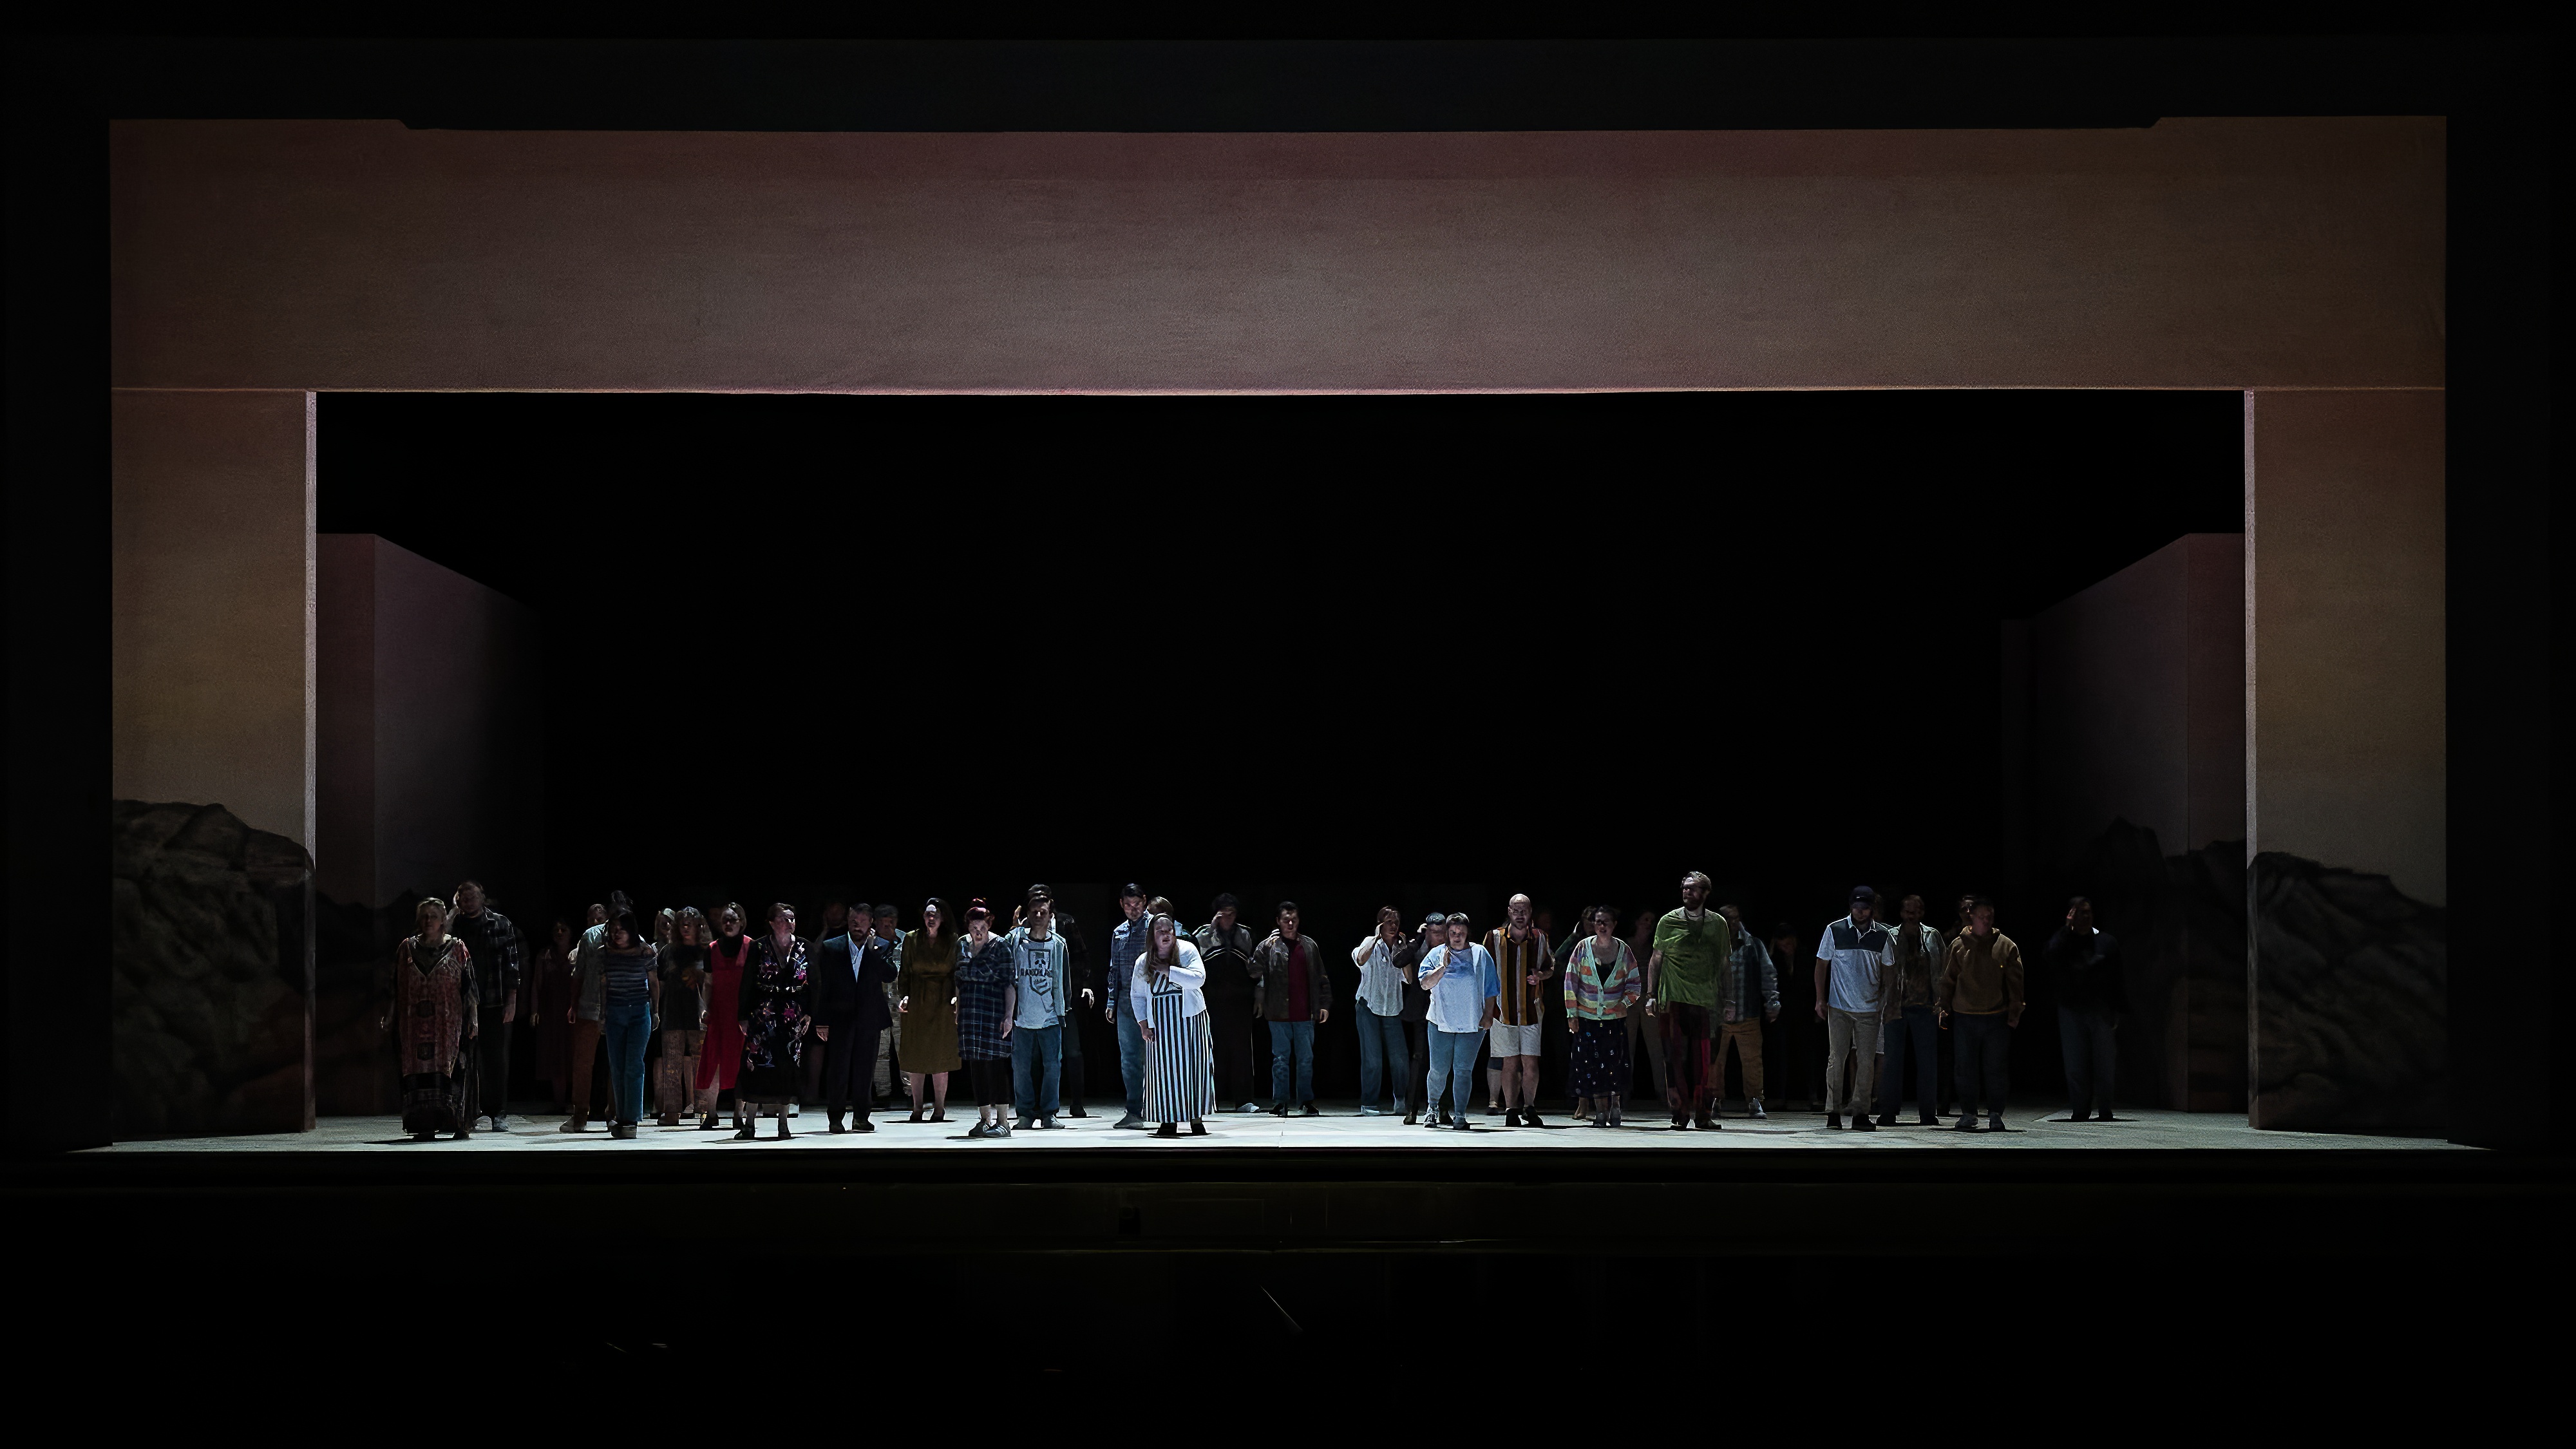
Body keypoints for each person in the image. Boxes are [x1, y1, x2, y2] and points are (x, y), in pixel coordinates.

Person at [382, 896, 477, 1141]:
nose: (428, 921)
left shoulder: (457, 948)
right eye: (424, 916)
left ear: (443, 920)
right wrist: (390, 1014)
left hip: (449, 1026)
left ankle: (456, 1124)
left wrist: (473, 1018)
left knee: (453, 1071)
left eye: (434, 916)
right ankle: (424, 1125)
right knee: (418, 1073)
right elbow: (395, 986)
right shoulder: (407, 948)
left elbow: (469, 987)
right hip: (414, 1026)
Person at [1646, 871, 1734, 1130]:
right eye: (1685, 888)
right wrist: (1650, 995)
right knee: (1673, 1058)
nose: (1687, 892)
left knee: (1705, 1062)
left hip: (1706, 1001)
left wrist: (1730, 1000)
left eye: (1693, 888)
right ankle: (1680, 1113)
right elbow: (1656, 958)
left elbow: (1725, 963)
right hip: (1673, 999)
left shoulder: (1717, 923)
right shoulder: (1668, 921)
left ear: (1706, 893)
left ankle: (1704, 1115)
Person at [810, 900, 896, 1133]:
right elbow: (823, 987)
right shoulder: (832, 947)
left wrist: (873, 951)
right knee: (838, 1069)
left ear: (871, 923)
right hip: (840, 1017)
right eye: (853, 921)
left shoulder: (881, 946)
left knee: (865, 1070)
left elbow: (890, 975)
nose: (857, 926)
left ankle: (861, 1117)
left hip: (870, 1017)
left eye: (862, 921)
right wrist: (822, 1020)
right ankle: (836, 1117)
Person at [1939, 896, 2023, 1132]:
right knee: (1965, 1067)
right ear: (1972, 917)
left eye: (1989, 917)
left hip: (1996, 1016)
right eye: (1981, 917)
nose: (1986, 921)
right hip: (1965, 1016)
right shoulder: (1958, 945)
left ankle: (1995, 1113)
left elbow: (2016, 982)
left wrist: (2015, 1011)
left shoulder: (2005, 946)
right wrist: (1943, 1007)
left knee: (1996, 1068)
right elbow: (1948, 980)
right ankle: (1968, 1113)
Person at [1814, 886, 1893, 1132]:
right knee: (1836, 1060)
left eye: (1865, 907)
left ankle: (1860, 1113)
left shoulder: (1883, 935)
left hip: (1870, 1009)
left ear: (1872, 909)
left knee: (1866, 1062)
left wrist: (1886, 1002)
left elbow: (1889, 970)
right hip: (1839, 1006)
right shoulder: (1835, 929)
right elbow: (1821, 965)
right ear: (1851, 907)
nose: (1860, 912)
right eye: (1856, 907)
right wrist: (1820, 999)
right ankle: (1833, 1112)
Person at [446, 880, 521, 1132]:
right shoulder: (454, 924)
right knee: (463, 1059)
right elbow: (440, 940)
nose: (469, 901)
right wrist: (452, 912)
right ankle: (467, 1112)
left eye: (473, 896)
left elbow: (511, 965)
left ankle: (498, 1112)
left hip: (492, 1000)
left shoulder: (499, 923)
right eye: (463, 898)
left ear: (483, 897)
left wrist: (511, 1000)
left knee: (494, 1059)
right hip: (461, 1003)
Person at [1415, 912, 1499, 1133]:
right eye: (1452, 932)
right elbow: (1424, 984)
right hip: (1441, 1021)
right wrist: (1443, 967)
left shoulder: (1480, 953)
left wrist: (1488, 1015)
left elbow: (1491, 987)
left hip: (1472, 1022)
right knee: (1439, 1070)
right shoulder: (1436, 954)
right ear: (1447, 933)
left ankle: (1460, 1115)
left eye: (1461, 932)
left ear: (1467, 933)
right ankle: (1432, 1108)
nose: (1457, 936)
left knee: (1463, 1070)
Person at [733, 903, 811, 1140]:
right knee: (757, 1066)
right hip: (763, 1014)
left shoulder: (805, 946)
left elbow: (814, 983)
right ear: (772, 922)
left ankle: (783, 1125)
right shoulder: (758, 946)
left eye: (792, 918)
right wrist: (743, 1016)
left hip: (792, 1015)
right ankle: (749, 1124)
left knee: (787, 1068)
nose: (790, 923)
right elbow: (747, 983)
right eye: (784, 919)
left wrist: (810, 1012)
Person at [1133, 912, 1214, 1137]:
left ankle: (1196, 1119)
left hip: (1190, 1023)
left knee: (1193, 1070)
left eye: (1169, 930)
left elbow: (1199, 979)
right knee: (1164, 1073)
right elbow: (1137, 995)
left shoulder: (1188, 950)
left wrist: (1169, 970)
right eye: (1160, 931)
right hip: (1160, 1027)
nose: (1166, 934)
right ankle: (1167, 1120)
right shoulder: (1144, 961)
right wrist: (1143, 1024)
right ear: (1153, 935)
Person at [1562, 907, 1643, 1128]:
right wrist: (1572, 1014)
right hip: (1588, 1019)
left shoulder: (1623, 950)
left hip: (1614, 1020)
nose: (1602, 926)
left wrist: (1622, 1004)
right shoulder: (1583, 948)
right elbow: (1571, 982)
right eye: (1598, 922)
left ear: (1614, 924)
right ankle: (1600, 1112)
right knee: (1593, 1067)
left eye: (1606, 921)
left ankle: (1615, 1107)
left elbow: (1635, 984)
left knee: (1614, 1065)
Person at [2046, 896, 2125, 1122]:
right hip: (2071, 1009)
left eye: (2088, 912)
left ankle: (2105, 1109)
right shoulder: (2064, 942)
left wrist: (2117, 1009)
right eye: (2080, 912)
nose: (2085, 917)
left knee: (2105, 1063)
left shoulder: (2106, 942)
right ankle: (2080, 1110)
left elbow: (2117, 977)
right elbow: (2050, 956)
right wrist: (2066, 929)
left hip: (2100, 1009)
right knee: (2075, 1062)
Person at [1872, 894, 1945, 1126]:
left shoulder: (1932, 936)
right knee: (1892, 1061)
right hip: (1896, 1006)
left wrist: (1942, 1002)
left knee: (1927, 1062)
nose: (1912, 916)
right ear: (1902, 913)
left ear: (1922, 912)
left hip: (1925, 1006)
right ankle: (1888, 1111)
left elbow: (1942, 969)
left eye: (1917, 911)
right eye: (1908, 911)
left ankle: (1928, 1112)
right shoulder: (1891, 936)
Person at [1005, 887, 1074, 1132]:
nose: (1038, 915)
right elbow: (1003, 961)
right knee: (1021, 1067)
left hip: (1050, 1017)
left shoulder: (1058, 944)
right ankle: (1024, 1114)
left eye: (1043, 912)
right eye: (1034, 911)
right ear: (1027, 913)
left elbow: (1064, 979)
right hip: (1022, 1017)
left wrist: (1063, 1009)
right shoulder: (1016, 940)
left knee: (1053, 1067)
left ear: (1050, 914)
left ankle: (1049, 1114)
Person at [1252, 901, 1330, 1116]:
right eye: (1286, 920)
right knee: (1280, 1059)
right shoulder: (1269, 946)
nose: (1290, 924)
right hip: (1278, 1013)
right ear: (1278, 921)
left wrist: (1324, 1004)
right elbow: (1253, 971)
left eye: (1294, 919)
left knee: (1306, 1060)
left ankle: (1305, 1102)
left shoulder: (1309, 945)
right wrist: (1265, 946)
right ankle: (1281, 1102)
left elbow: (1322, 977)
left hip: (1305, 1013)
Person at [1485, 893, 1556, 1126]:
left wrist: (1541, 975)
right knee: (1509, 1062)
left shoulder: (1540, 938)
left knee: (1530, 1062)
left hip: (1531, 1010)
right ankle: (1511, 1109)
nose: (1520, 915)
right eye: (1516, 910)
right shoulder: (1494, 937)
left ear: (1530, 912)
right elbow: (1483, 970)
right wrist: (1486, 1007)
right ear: (1509, 912)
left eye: (1523, 910)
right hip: (1502, 1010)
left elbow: (1550, 966)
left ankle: (1530, 1107)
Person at [560, 893, 624, 1133]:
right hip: (590, 1006)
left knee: (615, 1063)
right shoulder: (590, 936)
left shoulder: (630, 935)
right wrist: (574, 1004)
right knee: (583, 1062)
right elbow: (579, 973)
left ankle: (614, 1114)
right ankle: (580, 1116)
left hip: (617, 1008)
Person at [1193, 893, 1262, 1114]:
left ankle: (1244, 1101)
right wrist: (1212, 930)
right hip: (1211, 1002)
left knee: (1242, 1051)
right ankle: (1210, 1101)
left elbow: (1258, 968)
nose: (1228, 918)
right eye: (1224, 914)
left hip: (1241, 1002)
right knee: (1212, 1050)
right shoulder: (1201, 935)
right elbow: (1194, 965)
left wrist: (1260, 994)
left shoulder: (1246, 934)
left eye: (1232, 914)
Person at [954, 902, 1017, 1139]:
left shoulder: (1001, 946)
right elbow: (959, 980)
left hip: (993, 1011)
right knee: (976, 1065)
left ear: (989, 925)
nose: (978, 932)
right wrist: (958, 1010)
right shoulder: (962, 944)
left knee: (997, 1064)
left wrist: (1009, 1016)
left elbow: (1009, 983)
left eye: (982, 927)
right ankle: (984, 1119)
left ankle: (1003, 1122)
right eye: (974, 927)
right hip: (970, 1013)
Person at [1710, 903, 1779, 1119]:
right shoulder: (1711, 945)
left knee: (1752, 1061)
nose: (1733, 923)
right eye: (1728, 919)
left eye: (1736, 918)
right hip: (1718, 1016)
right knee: (1715, 1061)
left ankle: (1754, 1100)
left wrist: (1772, 1002)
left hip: (1747, 1013)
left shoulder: (1753, 945)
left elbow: (1768, 973)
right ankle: (1714, 1099)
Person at [596, 909, 659, 1141]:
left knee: (634, 1064)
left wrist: (655, 1011)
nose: (617, 933)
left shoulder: (645, 951)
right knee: (617, 1065)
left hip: (639, 1011)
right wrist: (602, 1014)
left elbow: (653, 982)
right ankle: (621, 1116)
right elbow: (604, 984)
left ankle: (631, 1120)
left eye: (621, 929)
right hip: (615, 1011)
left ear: (631, 930)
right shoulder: (604, 953)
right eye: (613, 929)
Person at [896, 898, 961, 1122]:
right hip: (918, 1001)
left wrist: (956, 996)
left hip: (943, 1002)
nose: (931, 918)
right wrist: (904, 995)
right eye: (928, 914)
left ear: (943, 918)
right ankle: (917, 1107)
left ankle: (939, 1108)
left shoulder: (952, 940)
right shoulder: (911, 939)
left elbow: (957, 972)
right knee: (916, 1054)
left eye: (935, 915)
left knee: (940, 1055)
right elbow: (905, 971)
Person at [1347, 907, 1412, 1117]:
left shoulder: (1400, 947)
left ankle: (1400, 1099)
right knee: (1373, 1058)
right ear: (1380, 924)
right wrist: (1375, 938)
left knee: (1400, 1059)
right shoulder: (1370, 942)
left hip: (1392, 1008)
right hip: (1368, 1007)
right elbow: (1360, 959)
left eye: (1396, 921)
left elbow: (1409, 978)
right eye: (1389, 921)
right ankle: (1369, 1102)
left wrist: (1404, 952)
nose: (1394, 925)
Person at [694, 903, 751, 1129]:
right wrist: (705, 1008)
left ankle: (739, 1113)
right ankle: (711, 1113)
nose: (728, 924)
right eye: (725, 920)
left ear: (741, 922)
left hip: (742, 1014)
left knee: (742, 1062)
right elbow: (708, 983)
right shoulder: (712, 949)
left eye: (733, 920)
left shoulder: (751, 947)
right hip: (719, 1013)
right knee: (714, 1061)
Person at [652, 907, 710, 1126]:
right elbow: (659, 985)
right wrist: (655, 1010)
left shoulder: (706, 951)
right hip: (672, 1013)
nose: (686, 927)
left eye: (690, 923)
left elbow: (712, 984)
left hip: (699, 1014)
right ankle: (672, 1112)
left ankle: (704, 1110)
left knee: (700, 1064)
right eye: (682, 923)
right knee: (671, 1066)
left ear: (698, 926)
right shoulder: (667, 952)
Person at [1104, 884, 1153, 1130]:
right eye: (1128, 905)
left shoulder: (1156, 926)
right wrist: (1111, 1001)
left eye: (1137, 904)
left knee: (1157, 1058)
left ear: (1145, 901)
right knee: (1130, 1059)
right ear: (1122, 905)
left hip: (1153, 1000)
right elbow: (1114, 970)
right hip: (1125, 1002)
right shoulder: (1119, 932)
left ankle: (1162, 1109)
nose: (1133, 910)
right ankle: (1134, 1111)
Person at [1393, 914, 1440, 1124]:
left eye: (1442, 932)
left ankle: (1443, 1110)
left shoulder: (1451, 948)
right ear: (1427, 931)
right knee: (1419, 1060)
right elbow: (1399, 961)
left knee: (1442, 1063)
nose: (1439, 937)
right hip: (1422, 1013)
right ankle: (1412, 1110)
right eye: (1434, 932)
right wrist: (1418, 939)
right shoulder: (1418, 947)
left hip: (1445, 1013)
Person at [1624, 910, 1671, 1113]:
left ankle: (1664, 1094)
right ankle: (1623, 1094)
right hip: (1628, 1000)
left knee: (1657, 1049)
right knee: (1626, 1048)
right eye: (1645, 919)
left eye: (1652, 920)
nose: (1649, 924)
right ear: (1636, 922)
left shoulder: (1654, 945)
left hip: (1649, 999)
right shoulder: (1626, 945)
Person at [531, 918, 577, 1114]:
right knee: (555, 1056)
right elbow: (537, 984)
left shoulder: (577, 953)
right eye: (556, 929)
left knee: (573, 1055)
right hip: (551, 1012)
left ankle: (576, 1102)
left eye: (563, 929)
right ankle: (559, 1102)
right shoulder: (545, 955)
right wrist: (535, 1010)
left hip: (573, 1012)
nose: (559, 933)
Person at [869, 902, 904, 1110]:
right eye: (883, 923)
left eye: (891, 922)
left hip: (902, 1003)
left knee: (904, 1048)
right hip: (878, 1003)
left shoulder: (906, 941)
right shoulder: (870, 943)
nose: (887, 926)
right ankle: (882, 1093)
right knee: (880, 1051)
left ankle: (911, 1093)